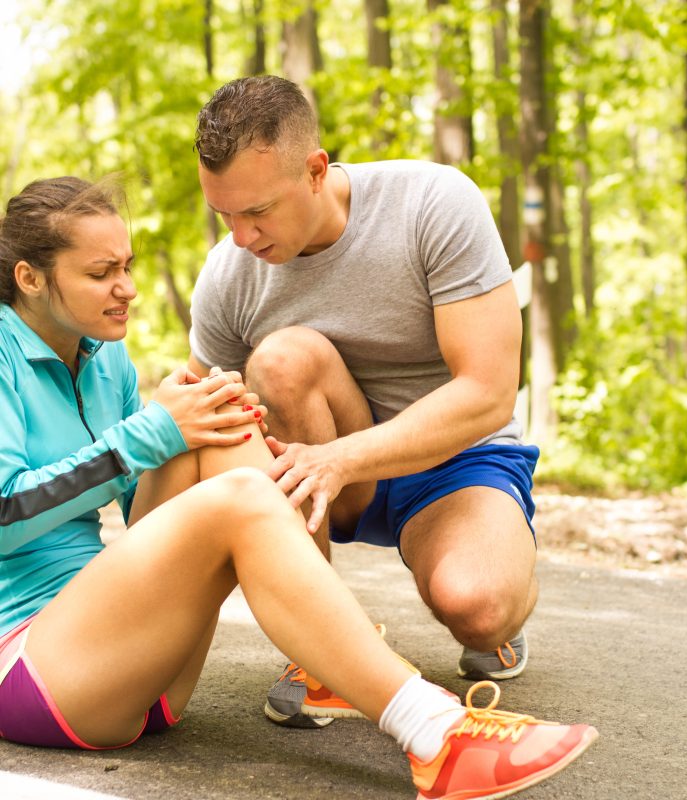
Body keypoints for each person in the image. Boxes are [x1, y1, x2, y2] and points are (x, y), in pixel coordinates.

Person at [0, 176, 597, 798]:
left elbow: (147, 523)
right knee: (235, 490)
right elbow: (6, 513)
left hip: (136, 670)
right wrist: (148, 437)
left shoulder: (105, 357)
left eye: (127, 266)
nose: (126, 288)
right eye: (101, 273)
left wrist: (188, 430)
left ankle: (333, 661)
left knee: (219, 412)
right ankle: (436, 731)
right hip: (33, 673)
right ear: (31, 279)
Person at [189, 75, 542, 727]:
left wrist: (342, 459)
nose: (241, 237)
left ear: (317, 170)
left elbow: (489, 394)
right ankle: (321, 650)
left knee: (478, 605)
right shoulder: (229, 274)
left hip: (453, 461)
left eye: (258, 211)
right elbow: (201, 422)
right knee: (281, 359)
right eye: (225, 216)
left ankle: (499, 574)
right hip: (323, 469)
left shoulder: (432, 203)